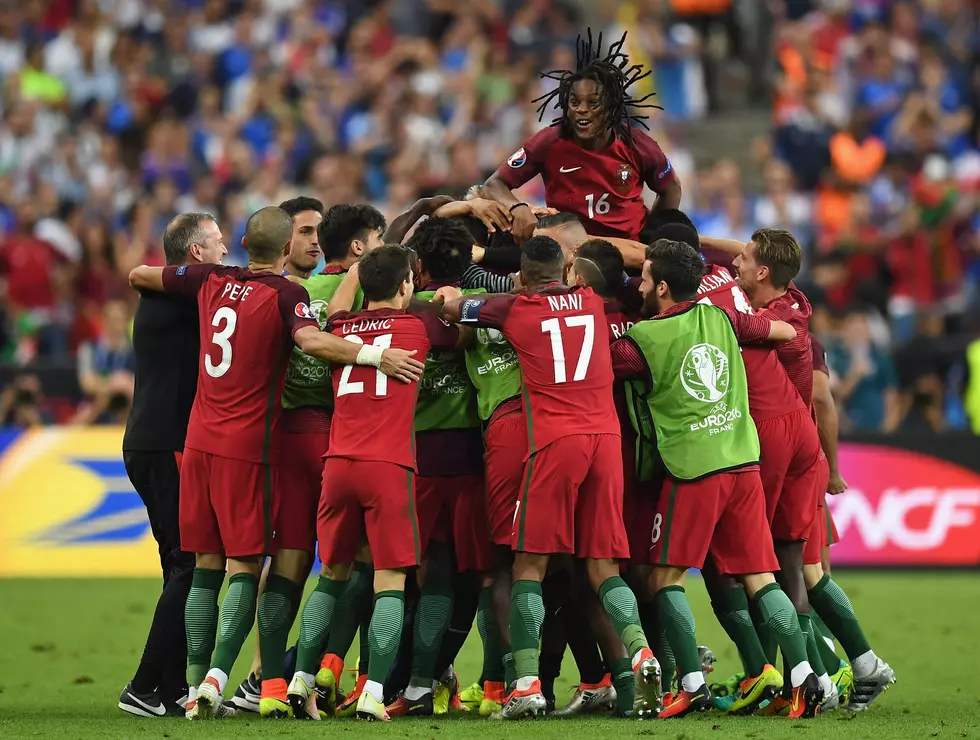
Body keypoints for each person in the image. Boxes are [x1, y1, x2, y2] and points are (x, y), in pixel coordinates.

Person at [128, 207, 424, 721]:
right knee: (256, 566)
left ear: (243, 242)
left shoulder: (212, 279)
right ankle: (265, 680)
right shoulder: (288, 295)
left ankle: (199, 686)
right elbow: (311, 340)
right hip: (253, 445)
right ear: (287, 246)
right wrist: (375, 355)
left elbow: (140, 273)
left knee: (205, 568)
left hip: (197, 442)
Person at [440, 235, 662, 720]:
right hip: (605, 442)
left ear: (523, 277)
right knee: (602, 566)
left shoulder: (516, 309)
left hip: (555, 444)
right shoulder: (591, 300)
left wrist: (454, 300)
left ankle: (525, 686)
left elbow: (462, 310)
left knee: (528, 565)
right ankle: (641, 656)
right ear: (566, 273)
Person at [609, 239, 823, 719]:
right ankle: (803, 677)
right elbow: (777, 330)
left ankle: (689, 684)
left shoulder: (643, 339)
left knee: (664, 577)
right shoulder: (723, 318)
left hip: (694, 471)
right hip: (743, 460)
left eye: (643, 279)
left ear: (662, 287)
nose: (638, 286)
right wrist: (792, 327)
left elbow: (598, 362)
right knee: (761, 578)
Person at [286, 245, 467, 723]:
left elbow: (342, 304)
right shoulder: (419, 324)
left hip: (338, 464)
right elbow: (462, 323)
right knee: (391, 581)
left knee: (330, 578)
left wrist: (362, 273)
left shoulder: (342, 327)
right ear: (406, 284)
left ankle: (302, 682)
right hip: (388, 467)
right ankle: (374, 692)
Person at [118, 212, 227, 719]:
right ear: (196, 254)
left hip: (148, 440)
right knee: (190, 562)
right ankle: (143, 685)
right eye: (219, 244)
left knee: (177, 565)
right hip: (167, 444)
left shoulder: (161, 297)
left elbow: (142, 274)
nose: (226, 253)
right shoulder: (186, 296)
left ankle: (167, 689)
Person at [386, 217, 492, 717]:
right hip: (474, 459)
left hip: (420, 460)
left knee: (421, 580)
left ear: (419, 266)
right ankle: (470, 680)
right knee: (472, 578)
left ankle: (412, 685)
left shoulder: (403, 315)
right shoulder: (475, 312)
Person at [483, 30, 681, 245]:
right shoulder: (549, 141)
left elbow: (671, 188)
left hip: (627, 254)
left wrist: (651, 233)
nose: (582, 110)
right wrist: (517, 207)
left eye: (593, 103)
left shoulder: (637, 144)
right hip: (570, 253)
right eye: (574, 103)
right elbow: (494, 184)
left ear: (611, 107)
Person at [807, 337, 895, 712]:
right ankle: (827, 671)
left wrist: (833, 467)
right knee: (796, 575)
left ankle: (829, 672)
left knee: (805, 573)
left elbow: (823, 400)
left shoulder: (792, 334)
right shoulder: (759, 324)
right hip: (775, 462)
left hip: (791, 465)